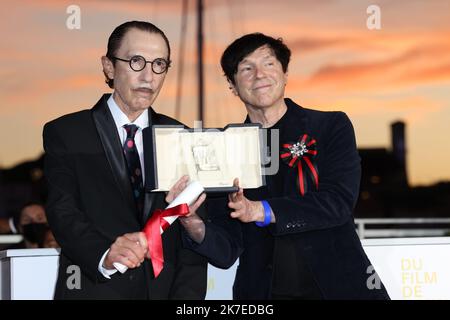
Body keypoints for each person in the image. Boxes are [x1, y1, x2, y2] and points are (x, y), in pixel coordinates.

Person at [195, 33, 390, 299]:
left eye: (269, 63)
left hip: (340, 288)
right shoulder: (225, 148)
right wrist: (191, 222)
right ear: (232, 85)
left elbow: (338, 202)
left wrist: (260, 210)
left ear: (285, 74)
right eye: (246, 68)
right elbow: (226, 248)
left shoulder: (330, 126)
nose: (259, 75)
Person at [43, 21, 209, 299]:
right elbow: (63, 210)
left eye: (159, 64)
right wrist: (105, 254)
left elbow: (190, 236)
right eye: (136, 61)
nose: (148, 76)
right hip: (93, 290)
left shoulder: (183, 137)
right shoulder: (67, 132)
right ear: (109, 66)